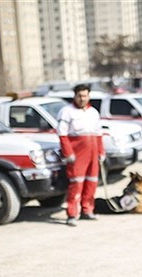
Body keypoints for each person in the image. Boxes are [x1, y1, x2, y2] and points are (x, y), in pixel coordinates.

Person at [56, 83, 105, 226]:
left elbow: (98, 134)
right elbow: (62, 134)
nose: (82, 99)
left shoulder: (93, 112)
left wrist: (101, 152)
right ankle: (72, 214)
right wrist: (68, 152)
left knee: (92, 182)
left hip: (93, 151)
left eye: (84, 96)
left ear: (89, 96)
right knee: (76, 184)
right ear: (75, 96)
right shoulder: (67, 111)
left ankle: (87, 210)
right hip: (77, 154)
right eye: (79, 96)